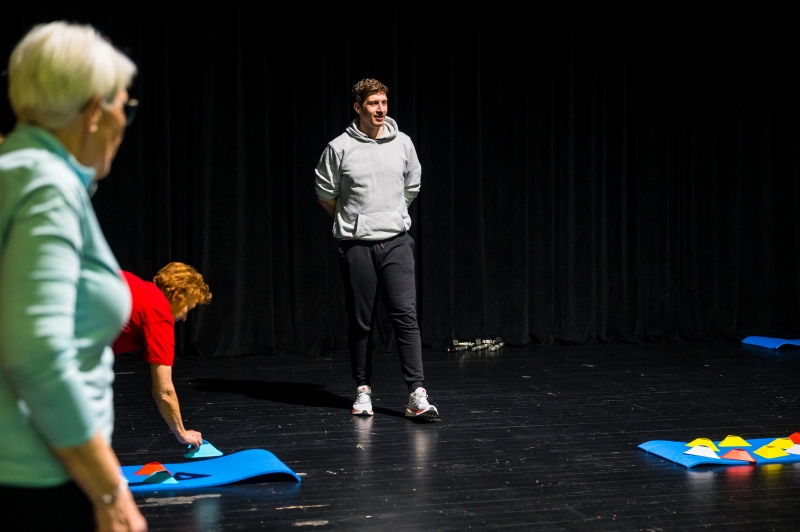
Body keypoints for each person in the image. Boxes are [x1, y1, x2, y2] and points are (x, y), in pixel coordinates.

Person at [0, 22, 146, 532]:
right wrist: (110, 490)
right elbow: (37, 353)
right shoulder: (48, 185)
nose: (125, 122)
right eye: (125, 107)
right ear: (94, 111)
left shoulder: (11, 168)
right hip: (40, 479)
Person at [315, 78, 438, 419]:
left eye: (384, 102)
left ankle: (417, 394)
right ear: (358, 107)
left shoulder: (403, 143)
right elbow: (325, 194)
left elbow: (411, 186)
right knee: (362, 322)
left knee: (406, 318)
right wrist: (354, 221)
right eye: (373, 103)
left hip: (396, 242)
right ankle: (363, 390)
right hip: (357, 246)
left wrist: (391, 215)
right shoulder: (339, 148)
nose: (380, 109)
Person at [112, 263, 212, 449]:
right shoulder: (160, 315)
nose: (184, 318)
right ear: (176, 295)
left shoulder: (133, 283)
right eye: (188, 308)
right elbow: (164, 392)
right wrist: (182, 434)